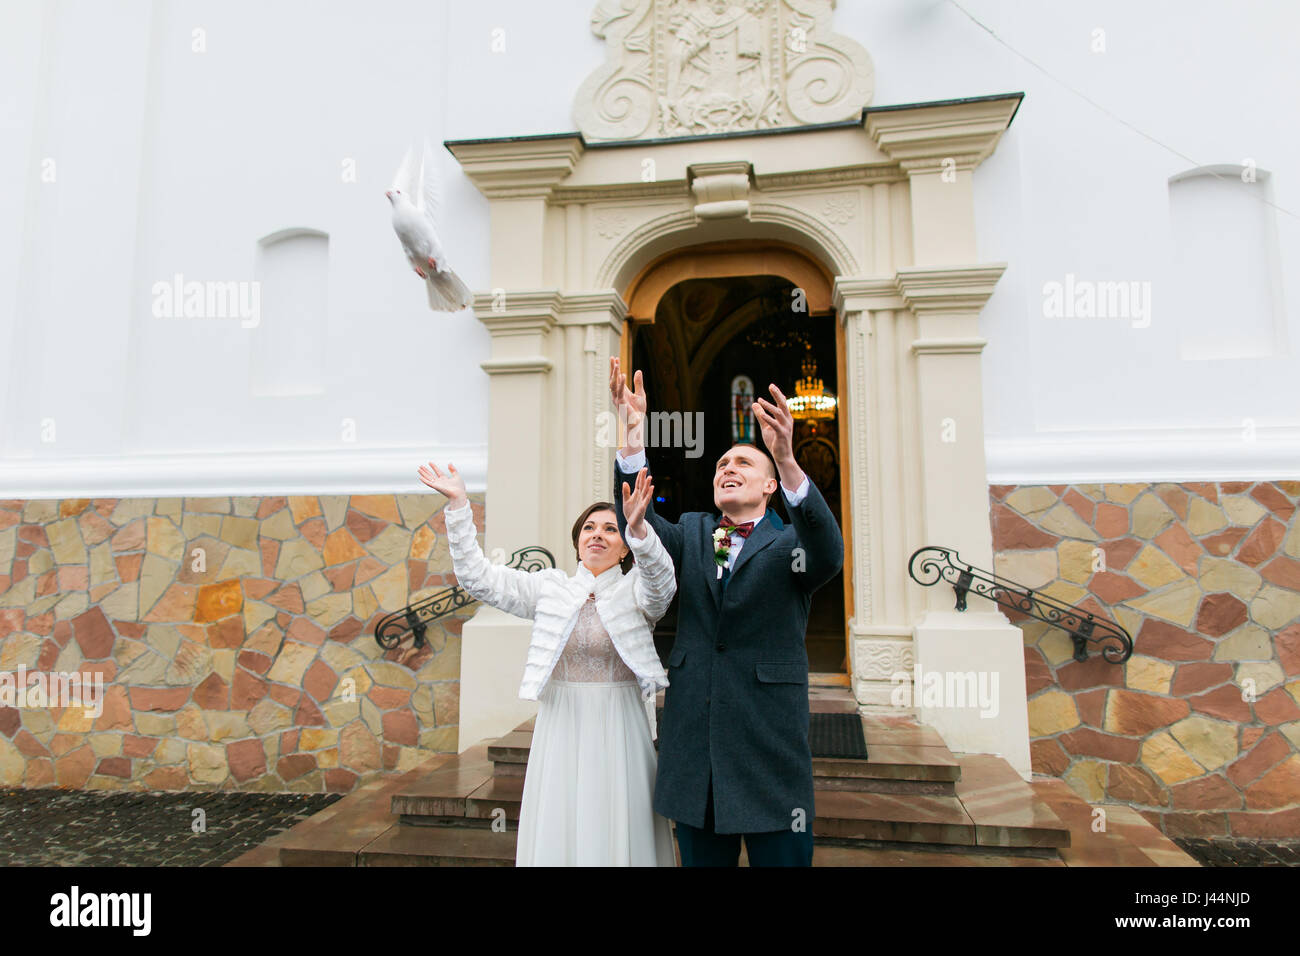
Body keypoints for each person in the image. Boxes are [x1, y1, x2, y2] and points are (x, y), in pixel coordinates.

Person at [608, 357, 844, 867]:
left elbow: (829, 551)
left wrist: (786, 458)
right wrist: (631, 436)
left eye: (742, 464)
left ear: (769, 487)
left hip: (768, 749)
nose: (727, 469)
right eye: (721, 465)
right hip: (696, 750)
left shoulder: (792, 544)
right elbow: (637, 519)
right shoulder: (692, 532)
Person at [417, 460, 677, 866]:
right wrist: (459, 506)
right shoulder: (550, 588)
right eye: (589, 528)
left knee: (618, 813)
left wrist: (642, 531)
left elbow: (663, 584)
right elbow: (478, 579)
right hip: (562, 724)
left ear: (625, 547)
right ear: (576, 542)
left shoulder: (636, 591)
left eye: (611, 529)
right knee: (563, 816)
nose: (598, 535)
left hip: (621, 724)